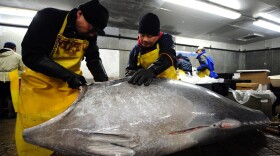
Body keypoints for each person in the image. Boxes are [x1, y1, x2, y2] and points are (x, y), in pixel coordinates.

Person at [15, 0, 109, 155]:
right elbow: (32, 56)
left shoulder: (89, 33)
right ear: (79, 14)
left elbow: (93, 58)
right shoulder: (48, 18)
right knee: (38, 129)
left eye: (96, 32)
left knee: (72, 129)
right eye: (91, 28)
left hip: (69, 88)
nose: (92, 34)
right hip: (39, 86)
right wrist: (67, 75)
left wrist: (105, 83)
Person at [126, 13, 177, 86]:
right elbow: (129, 69)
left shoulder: (166, 40)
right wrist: (132, 74)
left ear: (157, 35)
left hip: (171, 85)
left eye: (150, 36)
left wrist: (152, 71)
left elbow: (167, 57)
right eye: (142, 35)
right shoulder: (135, 50)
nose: (145, 39)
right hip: (151, 88)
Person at [0, 42, 24, 118]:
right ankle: (11, 114)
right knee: (11, 96)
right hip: (12, 78)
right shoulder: (17, 56)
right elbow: (22, 68)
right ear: (14, 48)